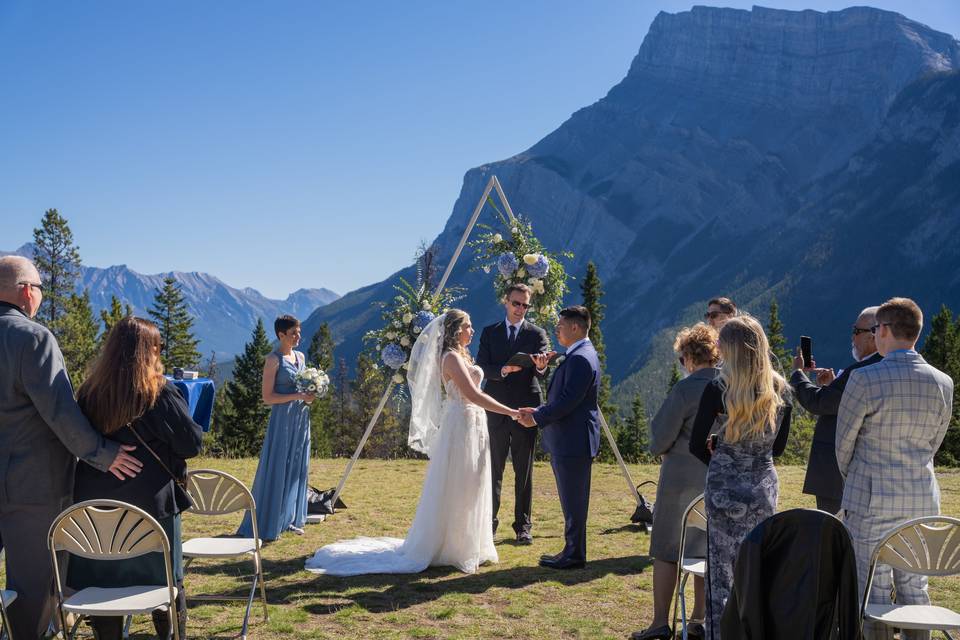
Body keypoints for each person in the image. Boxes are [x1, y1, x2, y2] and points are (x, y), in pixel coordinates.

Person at [305, 309, 521, 575]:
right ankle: (452, 547)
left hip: (474, 424)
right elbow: (473, 395)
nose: (472, 331)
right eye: (468, 326)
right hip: (461, 426)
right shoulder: (451, 358)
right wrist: (511, 411)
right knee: (459, 483)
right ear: (455, 331)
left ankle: (470, 543)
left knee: (473, 482)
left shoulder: (463, 355)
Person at [0, 255, 142, 639]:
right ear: (27, 292)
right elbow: (60, 412)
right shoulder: (31, 338)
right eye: (40, 290)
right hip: (30, 487)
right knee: (31, 586)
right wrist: (104, 453)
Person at [69, 316, 204, 640]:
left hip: (95, 515)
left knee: (104, 588)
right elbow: (191, 445)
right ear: (150, 351)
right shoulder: (159, 393)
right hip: (152, 509)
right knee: (168, 586)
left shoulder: (88, 394)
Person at [837, 297, 954, 640]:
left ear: (884, 330)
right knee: (915, 591)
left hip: (871, 502)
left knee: (871, 592)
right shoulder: (943, 382)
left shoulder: (864, 379)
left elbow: (844, 444)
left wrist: (858, 481)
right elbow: (935, 442)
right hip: (921, 500)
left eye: (875, 329)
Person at [689, 315, 792, 639]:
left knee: (720, 575)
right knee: (758, 570)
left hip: (723, 490)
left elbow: (695, 445)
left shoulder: (718, 387)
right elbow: (778, 450)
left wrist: (721, 459)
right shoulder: (779, 389)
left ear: (730, 350)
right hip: (762, 486)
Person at [631, 323, 720, 640]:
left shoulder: (685, 390)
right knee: (705, 552)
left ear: (688, 357)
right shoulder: (730, 385)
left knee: (667, 552)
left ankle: (659, 624)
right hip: (715, 481)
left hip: (679, 483)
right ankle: (698, 619)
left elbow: (658, 440)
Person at [518, 306, 601, 570]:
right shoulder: (579, 354)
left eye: (561, 325)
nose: (557, 329)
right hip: (571, 438)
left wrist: (536, 417)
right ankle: (572, 549)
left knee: (574, 500)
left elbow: (567, 402)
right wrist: (539, 410)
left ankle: (574, 553)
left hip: (573, 439)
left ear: (575, 328)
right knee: (571, 499)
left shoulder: (580, 358)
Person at [476, 283, 551, 544]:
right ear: (505, 302)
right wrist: (504, 371)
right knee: (493, 469)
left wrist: (541, 368)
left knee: (524, 470)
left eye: (525, 305)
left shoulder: (537, 334)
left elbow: (544, 371)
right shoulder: (490, 333)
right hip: (495, 408)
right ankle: (489, 524)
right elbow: (481, 367)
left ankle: (523, 527)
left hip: (525, 410)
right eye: (516, 303)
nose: (520, 309)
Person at [790, 306, 882, 514]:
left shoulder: (859, 372)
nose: (852, 337)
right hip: (856, 475)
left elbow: (817, 403)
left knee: (835, 533)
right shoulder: (875, 367)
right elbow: (840, 403)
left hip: (835, 475)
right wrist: (831, 385)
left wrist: (797, 373)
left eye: (856, 331)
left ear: (874, 336)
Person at [239, 315, 314, 541]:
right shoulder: (273, 360)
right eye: (293, 333)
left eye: (299, 332)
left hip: (301, 419)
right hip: (282, 419)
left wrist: (310, 395)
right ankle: (270, 520)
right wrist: (297, 395)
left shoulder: (300, 356)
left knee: (297, 467)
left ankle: (289, 518)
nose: (298, 336)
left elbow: (304, 387)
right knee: (279, 466)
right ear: (281, 335)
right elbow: (267, 397)